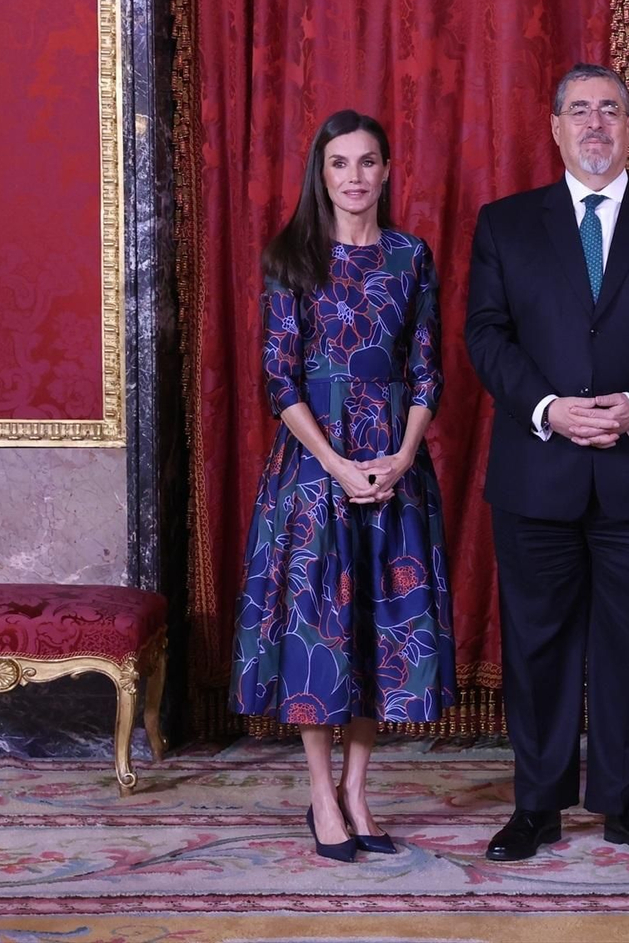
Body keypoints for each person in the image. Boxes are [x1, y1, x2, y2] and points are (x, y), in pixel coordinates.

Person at [464, 63, 629, 863]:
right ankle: (536, 805)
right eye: (579, 109)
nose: (595, 124)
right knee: (536, 646)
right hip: (537, 471)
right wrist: (547, 407)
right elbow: (486, 334)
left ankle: (625, 801)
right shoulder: (506, 223)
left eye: (611, 108)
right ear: (555, 127)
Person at [230, 109, 456, 862]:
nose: (354, 176)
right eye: (339, 163)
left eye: (367, 162)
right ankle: (321, 795)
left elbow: (426, 369)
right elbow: (279, 380)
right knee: (318, 631)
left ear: (386, 171)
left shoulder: (410, 256)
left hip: (394, 469)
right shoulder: (290, 257)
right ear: (320, 174)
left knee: (377, 634)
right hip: (313, 469)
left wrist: (403, 455)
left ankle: (358, 792)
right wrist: (334, 463)